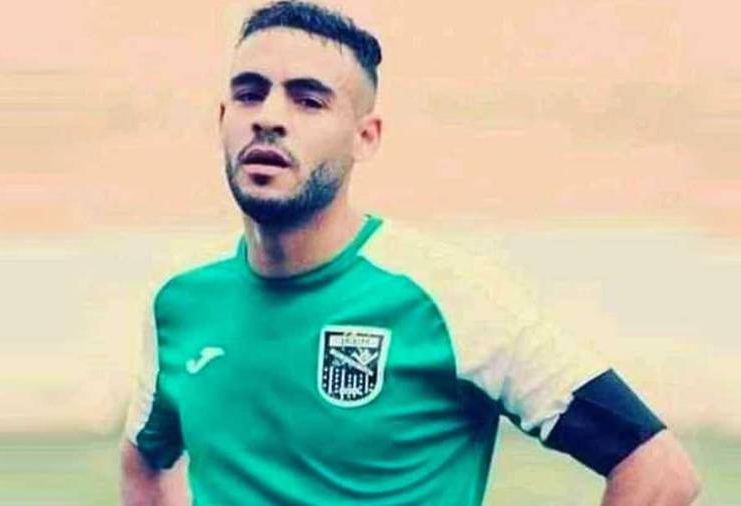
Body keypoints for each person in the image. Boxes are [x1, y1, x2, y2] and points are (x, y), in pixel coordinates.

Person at [121, 1, 701, 504]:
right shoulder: (180, 306)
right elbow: (145, 462)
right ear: (223, 119)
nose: (269, 118)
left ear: (364, 137)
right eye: (250, 94)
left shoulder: (450, 297)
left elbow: (657, 470)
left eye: (308, 101)